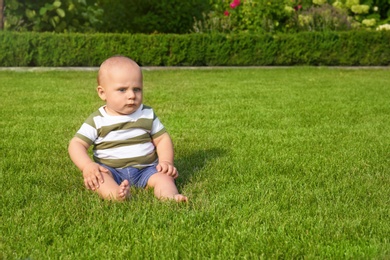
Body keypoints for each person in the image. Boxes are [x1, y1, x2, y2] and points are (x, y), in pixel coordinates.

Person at [68, 55, 187, 202]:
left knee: (165, 178)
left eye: (137, 89)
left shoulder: (147, 114)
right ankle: (116, 194)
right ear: (102, 93)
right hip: (111, 171)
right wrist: (87, 166)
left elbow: (162, 139)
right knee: (100, 180)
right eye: (122, 90)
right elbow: (76, 144)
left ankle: (169, 196)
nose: (131, 95)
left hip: (146, 169)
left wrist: (166, 162)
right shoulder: (98, 120)